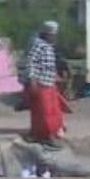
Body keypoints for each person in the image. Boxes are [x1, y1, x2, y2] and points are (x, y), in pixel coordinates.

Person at [22, 21, 65, 149]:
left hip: (49, 82)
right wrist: (32, 80)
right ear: (46, 34)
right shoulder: (38, 45)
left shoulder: (48, 46)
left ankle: (40, 134)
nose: (54, 37)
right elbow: (30, 63)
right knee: (45, 112)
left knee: (52, 110)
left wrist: (56, 76)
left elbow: (47, 64)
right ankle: (47, 137)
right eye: (52, 35)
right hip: (40, 83)